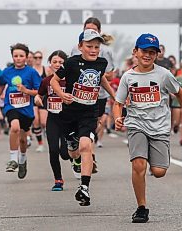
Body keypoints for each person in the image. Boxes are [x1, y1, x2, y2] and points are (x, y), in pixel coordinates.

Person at [112, 33, 182, 223]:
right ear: (135, 52)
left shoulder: (163, 75)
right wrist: (117, 118)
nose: (147, 55)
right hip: (136, 125)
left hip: (159, 127)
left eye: (152, 52)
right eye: (144, 51)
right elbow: (118, 103)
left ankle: (152, 155)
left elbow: (180, 95)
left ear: (156, 55)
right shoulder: (128, 77)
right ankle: (141, 208)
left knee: (158, 172)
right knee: (138, 164)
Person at [50, 29, 115, 206]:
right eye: (89, 46)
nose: (93, 50)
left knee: (86, 145)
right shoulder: (71, 63)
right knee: (73, 149)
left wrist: (114, 95)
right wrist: (62, 95)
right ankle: (72, 147)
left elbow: (102, 79)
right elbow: (53, 81)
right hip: (70, 112)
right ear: (80, 47)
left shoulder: (102, 62)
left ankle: (84, 187)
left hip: (89, 112)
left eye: (96, 47)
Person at [70, 17, 116, 170]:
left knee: (94, 123)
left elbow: (110, 74)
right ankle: (88, 152)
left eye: (94, 30)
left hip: (99, 94)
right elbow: (71, 71)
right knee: (83, 124)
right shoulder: (75, 50)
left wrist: (96, 73)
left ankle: (89, 151)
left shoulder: (106, 51)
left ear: (99, 32)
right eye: (87, 29)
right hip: (79, 95)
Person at [0, 43, 41, 179]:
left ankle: (23, 159)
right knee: (14, 127)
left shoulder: (32, 72)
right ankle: (13, 159)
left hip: (26, 109)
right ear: (12, 57)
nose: (18, 58)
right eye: (16, 56)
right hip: (11, 106)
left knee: (22, 140)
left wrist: (26, 91)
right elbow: (1, 84)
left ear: (26, 57)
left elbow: (39, 91)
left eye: (21, 56)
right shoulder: (7, 71)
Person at [34, 50, 71, 191]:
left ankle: (76, 159)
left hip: (68, 120)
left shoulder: (70, 80)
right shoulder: (46, 81)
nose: (57, 64)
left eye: (61, 62)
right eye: (54, 62)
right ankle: (58, 180)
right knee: (53, 150)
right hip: (53, 119)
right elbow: (40, 95)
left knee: (65, 153)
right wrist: (38, 99)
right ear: (50, 64)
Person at [31, 51, 47, 152]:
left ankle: (46, 133)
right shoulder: (30, 71)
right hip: (32, 97)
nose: (37, 59)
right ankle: (40, 143)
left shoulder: (46, 69)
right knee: (36, 120)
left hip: (44, 98)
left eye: (39, 57)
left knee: (44, 122)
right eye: (35, 57)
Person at [171, 62, 182, 146]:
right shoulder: (177, 78)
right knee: (177, 121)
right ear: (181, 69)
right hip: (176, 102)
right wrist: (173, 95)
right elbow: (170, 88)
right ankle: (176, 126)